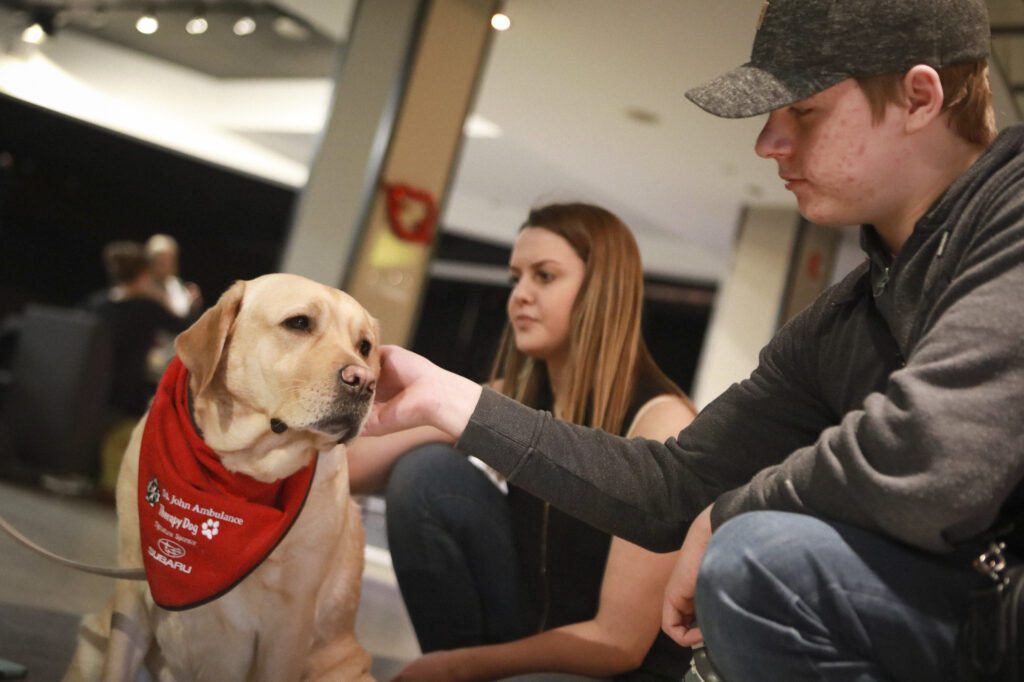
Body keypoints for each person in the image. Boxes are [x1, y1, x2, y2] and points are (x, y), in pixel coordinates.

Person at [361, 1, 1024, 680]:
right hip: (965, 613)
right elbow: (670, 488)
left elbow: (938, 457)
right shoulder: (849, 315)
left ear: (919, 97)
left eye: (803, 111)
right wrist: (453, 401)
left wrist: (734, 511)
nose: (768, 144)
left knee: (760, 558)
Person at [347, 203, 697, 680]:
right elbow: (352, 469)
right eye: (516, 279)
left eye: (545, 276)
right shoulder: (513, 396)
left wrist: (455, 668)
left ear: (602, 291)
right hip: (534, 629)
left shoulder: (662, 422)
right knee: (428, 474)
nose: (520, 296)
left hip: (611, 667)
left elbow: (619, 644)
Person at [82, 240, 195, 417]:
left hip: (90, 388)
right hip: (127, 396)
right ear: (143, 275)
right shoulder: (146, 308)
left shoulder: (96, 303)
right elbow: (185, 328)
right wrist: (190, 305)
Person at [145, 233, 202, 318]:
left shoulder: (177, 285)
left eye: (171, 260)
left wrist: (193, 306)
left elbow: (183, 317)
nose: (169, 265)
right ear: (152, 262)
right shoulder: (143, 287)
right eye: (163, 262)